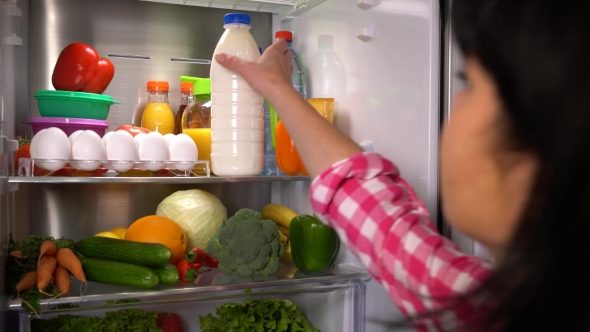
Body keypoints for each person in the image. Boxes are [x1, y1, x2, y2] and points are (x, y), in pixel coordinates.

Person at [214, 0, 590, 330]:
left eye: (470, 84)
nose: (455, 104)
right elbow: (369, 205)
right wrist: (278, 89)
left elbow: (374, 212)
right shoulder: (479, 303)